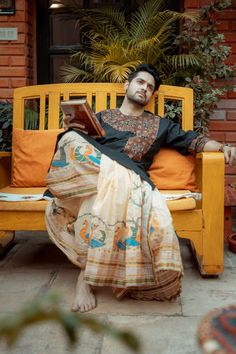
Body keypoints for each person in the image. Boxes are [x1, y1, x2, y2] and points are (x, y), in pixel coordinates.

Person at [45, 64, 236, 313]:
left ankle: (85, 277)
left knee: (104, 196)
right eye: (140, 83)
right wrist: (73, 129)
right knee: (70, 139)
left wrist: (222, 147)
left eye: (149, 87)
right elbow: (78, 150)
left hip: (130, 180)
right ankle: (111, 181)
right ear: (127, 85)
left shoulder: (161, 126)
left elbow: (195, 140)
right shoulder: (101, 117)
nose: (144, 88)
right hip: (95, 174)